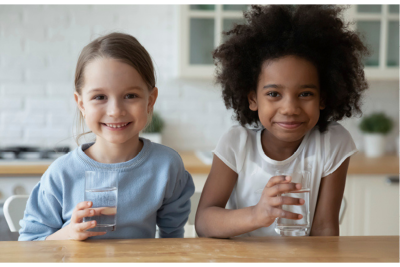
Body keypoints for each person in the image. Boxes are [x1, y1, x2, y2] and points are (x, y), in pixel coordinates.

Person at [195, 5, 368, 238]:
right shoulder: (236, 143)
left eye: (305, 94)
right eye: (274, 94)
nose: (289, 109)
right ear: (253, 99)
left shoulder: (333, 142)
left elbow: (325, 229)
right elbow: (204, 222)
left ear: (323, 98)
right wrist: (257, 214)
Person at [19, 32, 195, 241]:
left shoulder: (167, 165)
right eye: (100, 97)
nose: (115, 111)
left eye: (130, 96)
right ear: (82, 104)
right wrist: (68, 235)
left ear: (150, 100)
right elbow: (29, 245)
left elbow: (173, 240)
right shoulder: (61, 174)